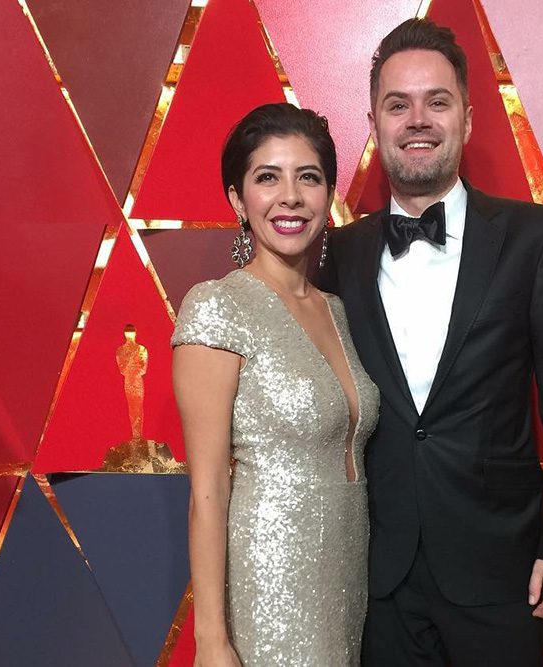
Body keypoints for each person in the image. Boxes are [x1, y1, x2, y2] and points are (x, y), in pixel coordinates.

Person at [317, 19, 543, 665]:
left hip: (501, 567)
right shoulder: (340, 251)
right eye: (398, 104)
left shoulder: (538, 238)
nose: (417, 119)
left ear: (467, 119)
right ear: (374, 122)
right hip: (375, 571)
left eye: (436, 102)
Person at [171, 103, 379, 667]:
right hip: (270, 582)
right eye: (268, 177)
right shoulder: (217, 305)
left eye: (307, 177)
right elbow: (207, 489)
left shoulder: (336, 309)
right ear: (238, 200)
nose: (290, 196)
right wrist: (211, 640)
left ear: (327, 196)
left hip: (346, 580)